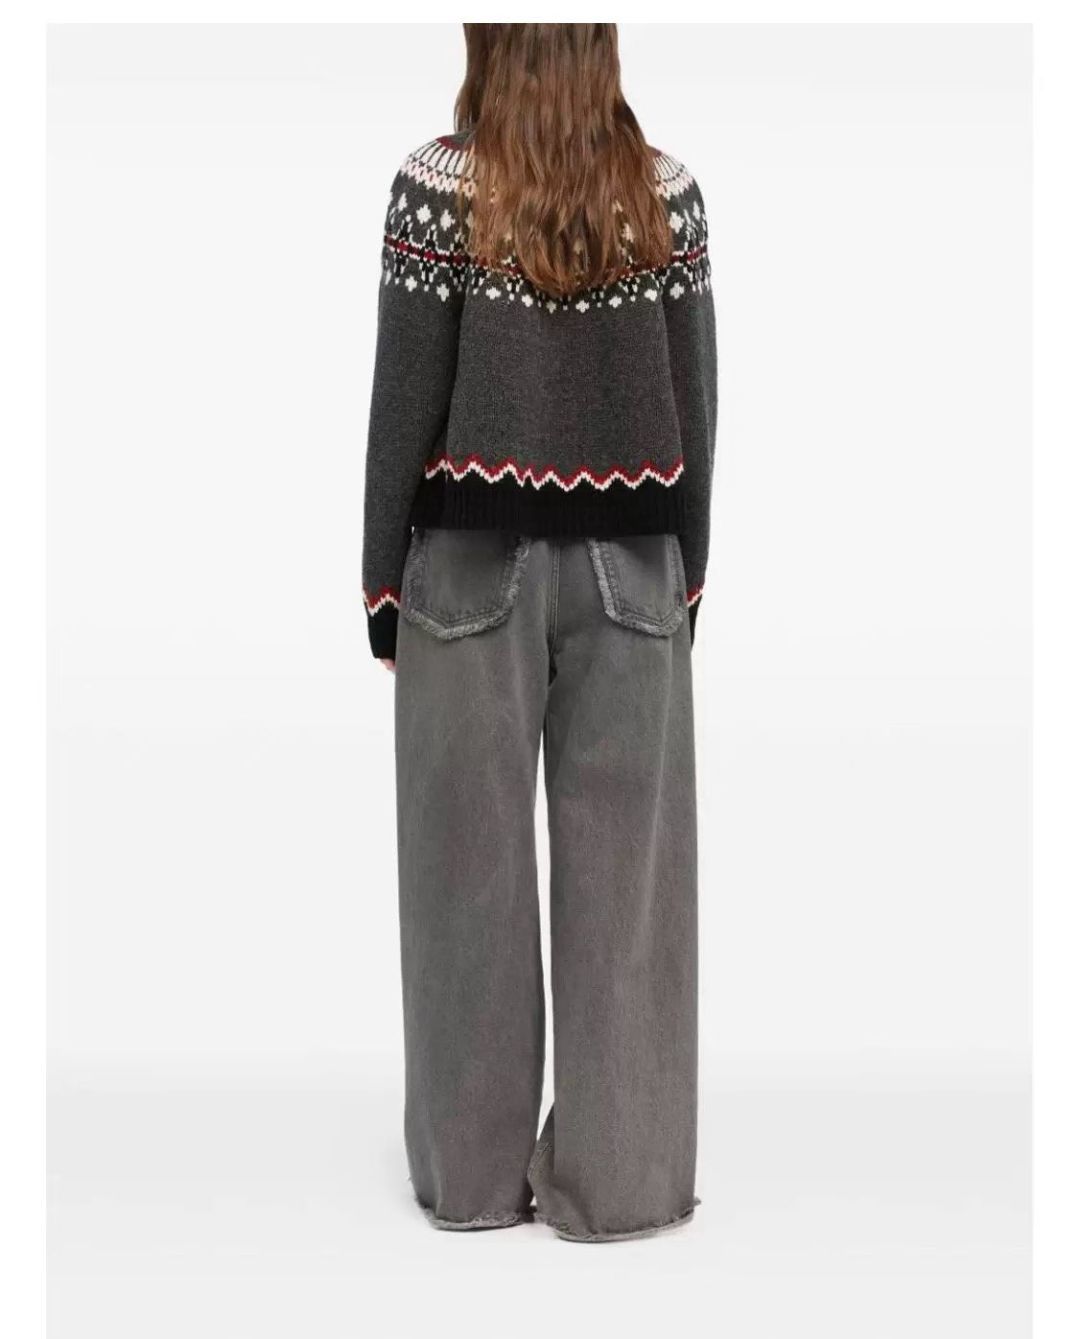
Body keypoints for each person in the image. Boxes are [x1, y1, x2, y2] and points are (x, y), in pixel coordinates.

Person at [361, 22, 716, 1243]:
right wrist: (685, 590)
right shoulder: (666, 196)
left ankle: (469, 1184)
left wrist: (381, 591)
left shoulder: (437, 187)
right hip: (637, 567)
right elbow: (698, 410)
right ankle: (625, 1185)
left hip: (467, 572)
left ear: (488, 39)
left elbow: (402, 403)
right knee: (633, 892)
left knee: (462, 874)